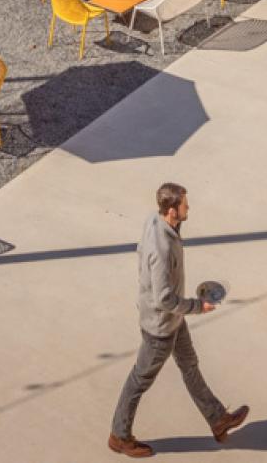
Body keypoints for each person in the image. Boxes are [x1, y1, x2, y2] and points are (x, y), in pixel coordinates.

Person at [108, 183, 247, 457]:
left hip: (173, 320)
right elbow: (163, 299)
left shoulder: (155, 220)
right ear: (173, 210)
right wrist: (198, 306)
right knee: (139, 380)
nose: (188, 207)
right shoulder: (161, 249)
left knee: (190, 365)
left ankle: (217, 419)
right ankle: (119, 436)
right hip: (160, 328)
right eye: (185, 204)